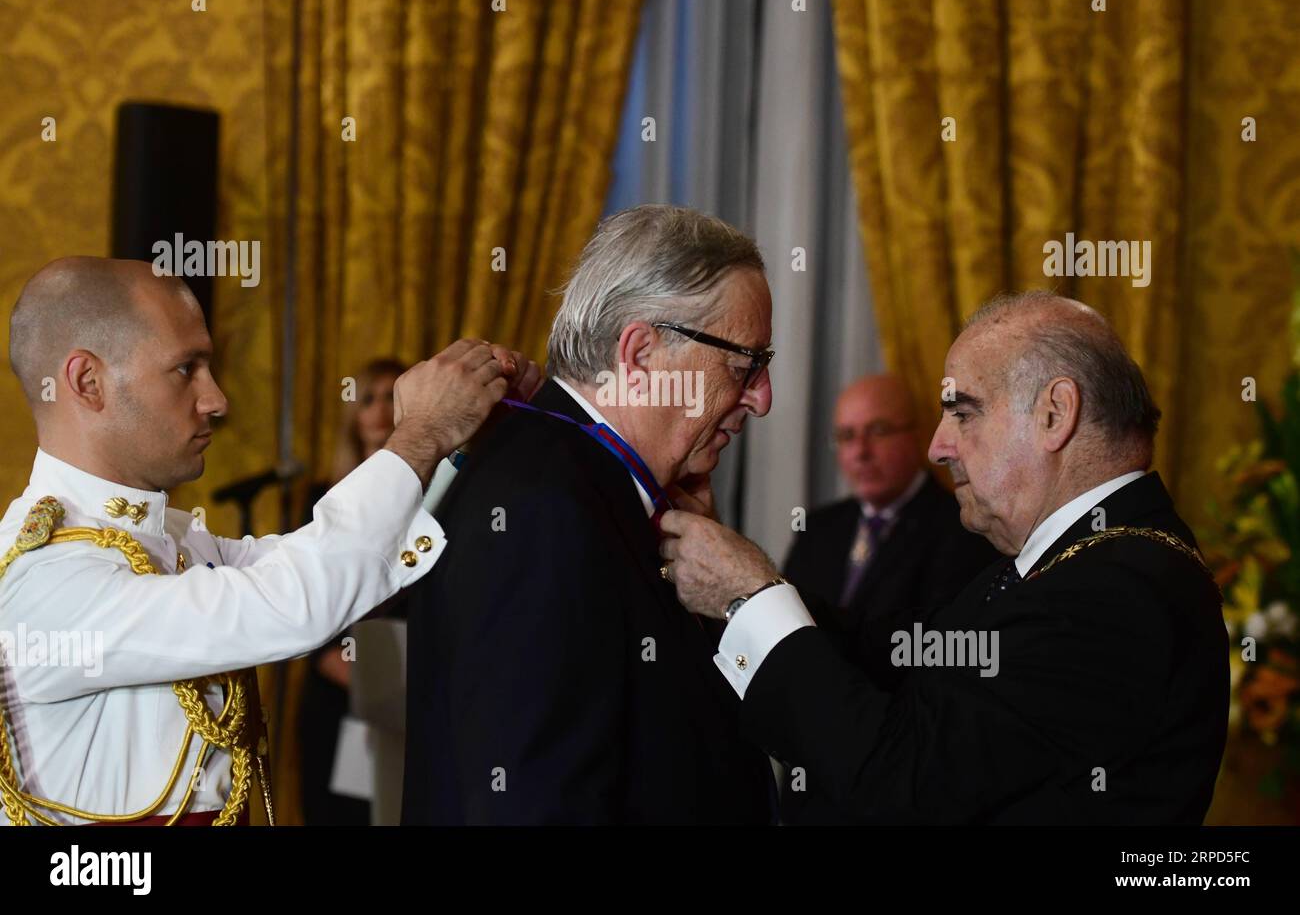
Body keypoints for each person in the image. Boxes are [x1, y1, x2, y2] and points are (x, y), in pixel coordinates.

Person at [0, 256, 533, 826]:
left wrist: (453, 448)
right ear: (87, 381)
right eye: (186, 369)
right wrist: (422, 433)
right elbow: (293, 603)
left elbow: (334, 574)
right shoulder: (44, 573)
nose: (217, 399)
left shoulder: (171, 537)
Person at [660, 291, 1228, 824]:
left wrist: (749, 599)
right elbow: (890, 668)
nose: (938, 446)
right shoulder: (1080, 559)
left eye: (963, 412)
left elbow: (902, 783)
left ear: (1055, 414)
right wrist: (743, 583)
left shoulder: (1113, 589)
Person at [402, 205, 777, 824]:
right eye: (744, 366)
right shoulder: (542, 505)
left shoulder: (588, 483)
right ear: (642, 352)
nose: (762, 398)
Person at [783, 374, 997, 690]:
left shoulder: (965, 529)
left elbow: (936, 653)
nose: (860, 452)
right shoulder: (818, 527)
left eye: (878, 431)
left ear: (919, 433)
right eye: (846, 436)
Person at [298, 357, 406, 826]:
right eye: (368, 399)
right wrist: (376, 686)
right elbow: (307, 607)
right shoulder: (323, 500)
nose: (380, 410)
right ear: (353, 415)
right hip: (341, 692)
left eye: (391, 397)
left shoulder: (439, 494)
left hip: (411, 685)